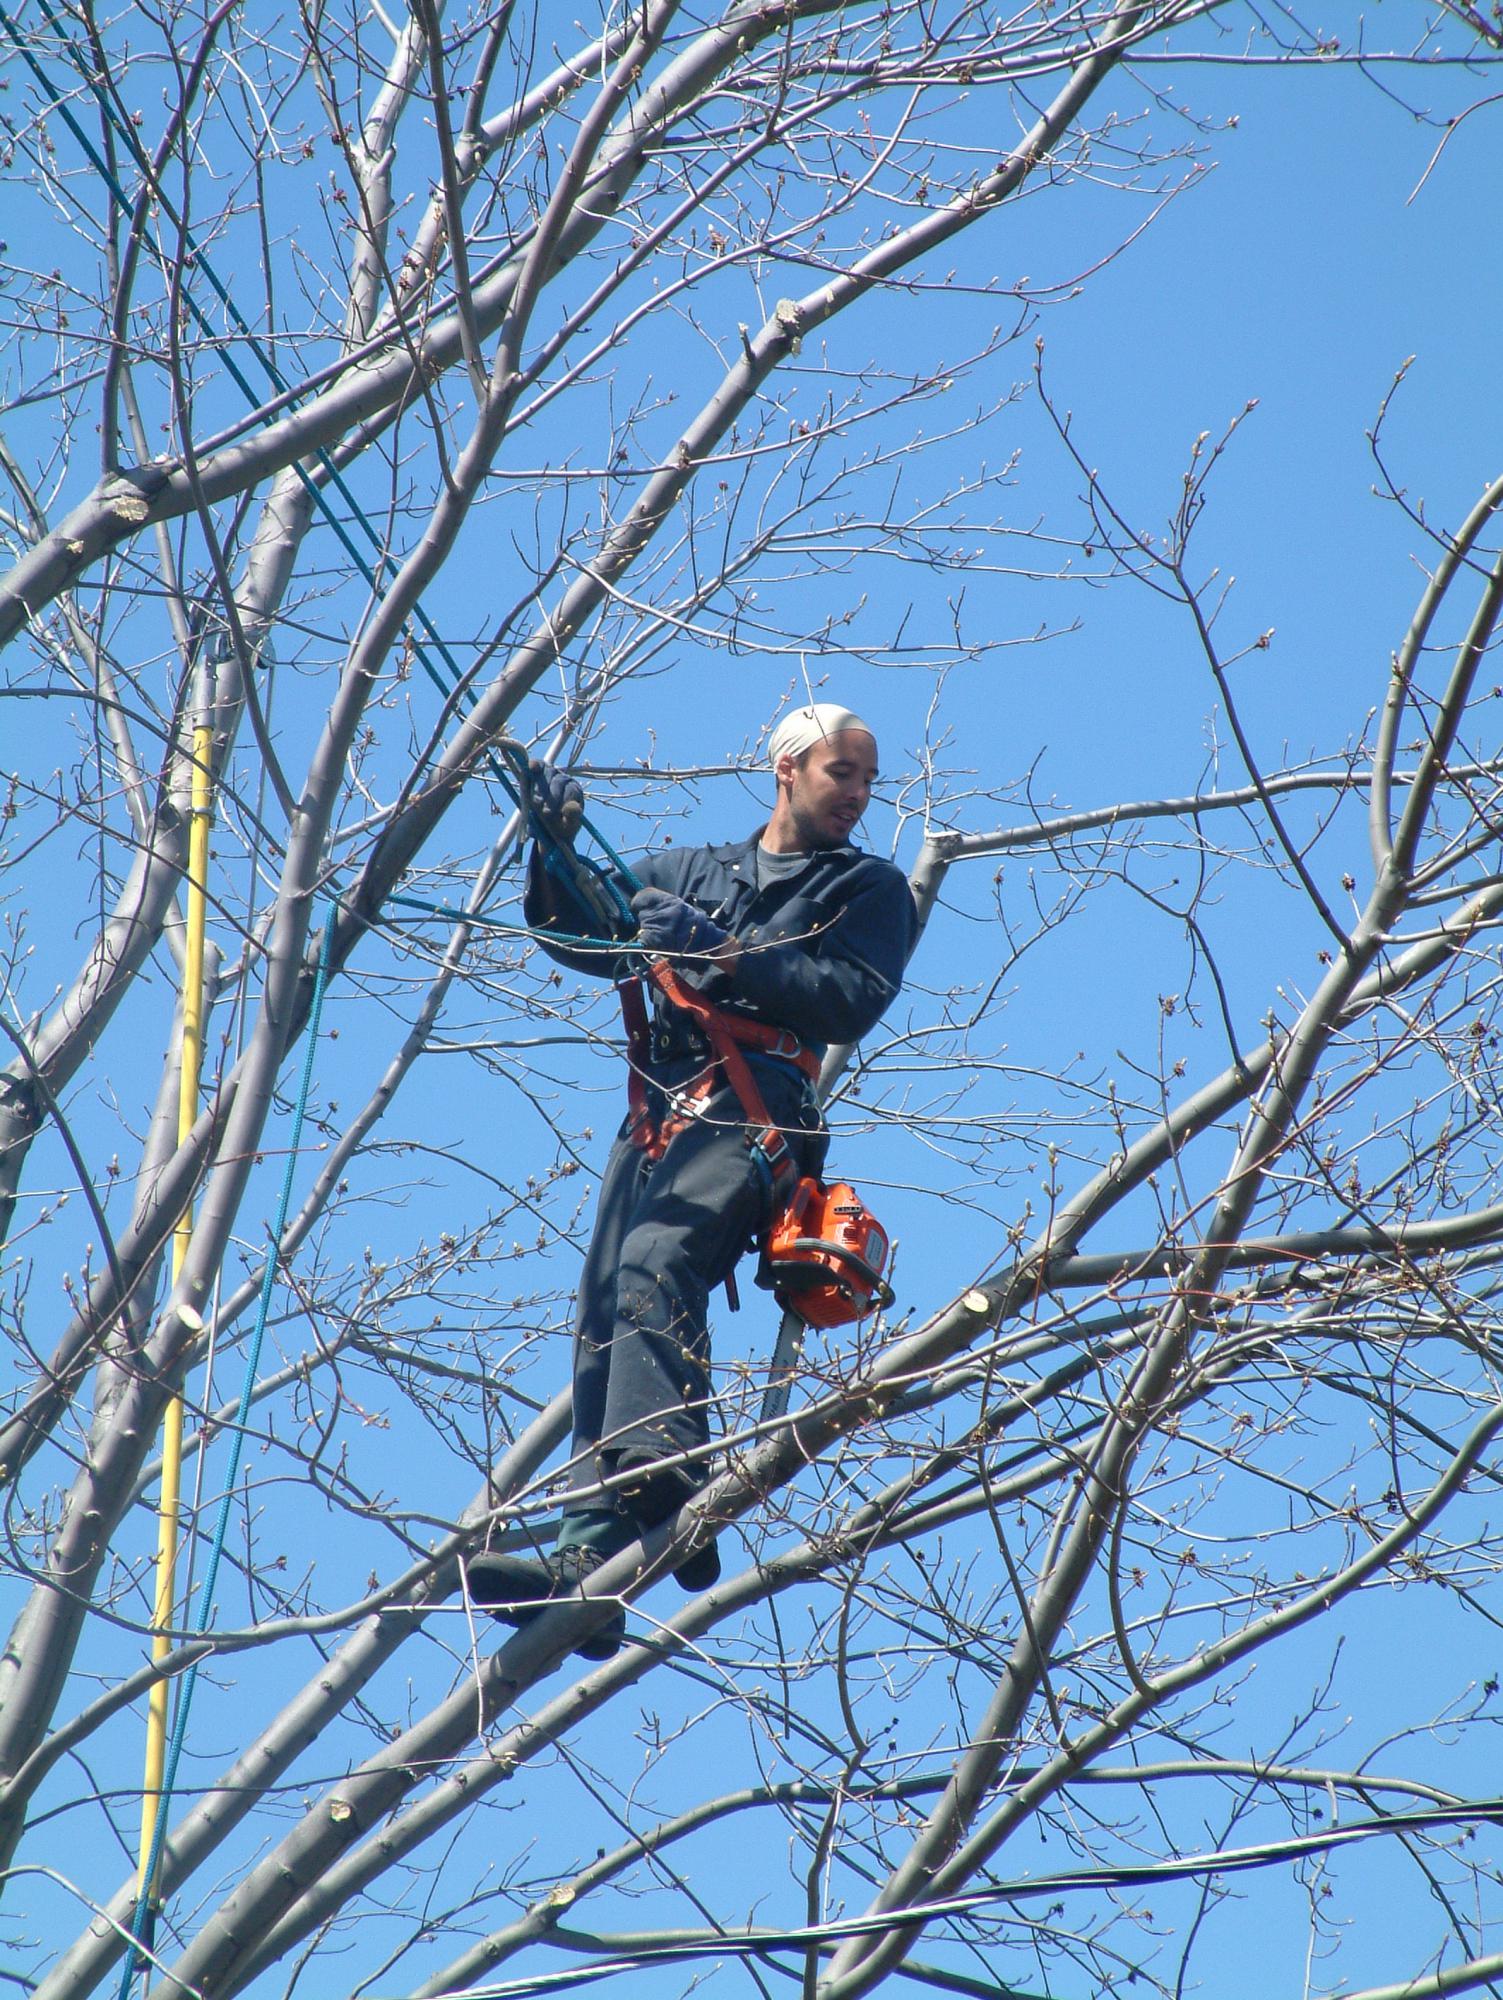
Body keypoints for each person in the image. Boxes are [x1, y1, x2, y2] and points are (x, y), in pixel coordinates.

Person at [467, 702, 916, 1655]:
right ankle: (589, 1569)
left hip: (758, 1111)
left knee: (653, 1262)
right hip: (663, 1116)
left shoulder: (865, 889)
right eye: (844, 772)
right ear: (788, 768)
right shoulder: (687, 871)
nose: (860, 794)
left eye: (868, 779)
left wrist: (718, 948)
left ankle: (660, 1469)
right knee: (602, 1310)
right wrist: (550, 850)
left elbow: (846, 999)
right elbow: (587, 933)